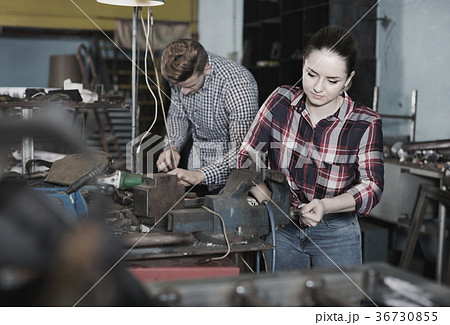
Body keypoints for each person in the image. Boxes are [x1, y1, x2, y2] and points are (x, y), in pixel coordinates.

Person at [237, 26, 384, 271]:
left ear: (348, 80)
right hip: (280, 228)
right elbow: (248, 156)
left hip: (336, 233)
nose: (318, 87)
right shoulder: (280, 100)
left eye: (332, 80)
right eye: (311, 74)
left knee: (338, 307)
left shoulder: (365, 122)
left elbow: (372, 186)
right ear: (303, 65)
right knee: (284, 306)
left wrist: (326, 206)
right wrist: (272, 203)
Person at [156, 39, 259, 193]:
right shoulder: (182, 74)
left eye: (190, 86)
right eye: (179, 87)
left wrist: (200, 175)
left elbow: (242, 152)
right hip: (195, 170)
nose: (183, 92)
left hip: (234, 178)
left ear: (207, 69)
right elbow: (178, 114)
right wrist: (173, 145)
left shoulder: (238, 84)